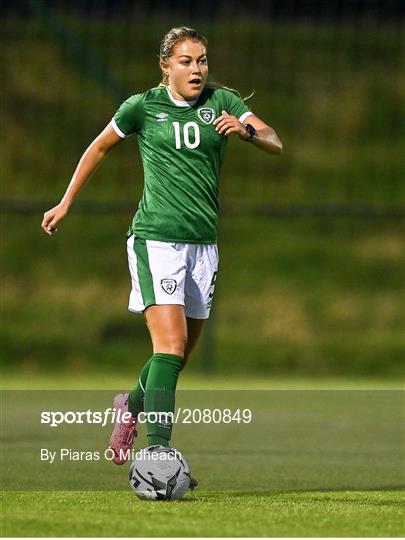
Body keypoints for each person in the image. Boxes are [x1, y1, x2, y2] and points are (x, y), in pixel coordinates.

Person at [41, 27, 282, 474]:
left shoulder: (222, 103)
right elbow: (99, 147)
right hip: (157, 240)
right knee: (169, 348)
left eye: (203, 60)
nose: (197, 69)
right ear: (166, 66)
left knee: (176, 358)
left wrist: (247, 132)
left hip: (203, 245)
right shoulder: (143, 106)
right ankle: (158, 457)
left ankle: (129, 406)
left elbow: (275, 141)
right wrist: (65, 201)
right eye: (187, 61)